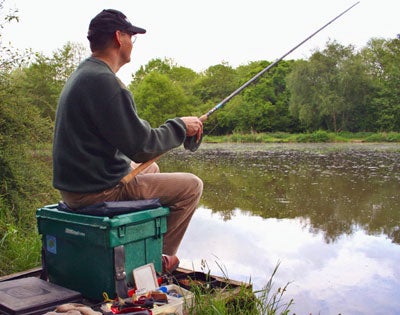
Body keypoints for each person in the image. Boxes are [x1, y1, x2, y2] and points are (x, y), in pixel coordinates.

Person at [52, 9, 204, 273]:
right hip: (95, 191)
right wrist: (180, 127)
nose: (133, 42)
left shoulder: (85, 74)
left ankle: (136, 245)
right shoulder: (104, 82)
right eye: (132, 36)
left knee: (152, 169)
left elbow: (133, 140)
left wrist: (172, 130)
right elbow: (142, 145)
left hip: (77, 187)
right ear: (118, 37)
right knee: (191, 186)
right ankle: (158, 262)